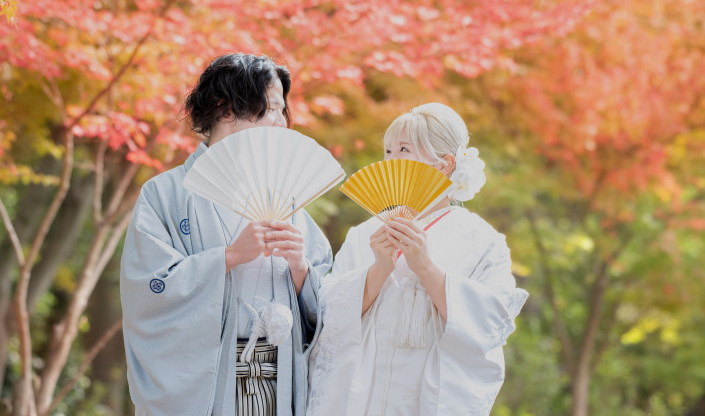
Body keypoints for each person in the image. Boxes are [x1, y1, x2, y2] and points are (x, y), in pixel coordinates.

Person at [120, 53, 332, 416]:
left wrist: (300, 269)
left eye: (282, 110)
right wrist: (229, 257)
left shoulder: (286, 195)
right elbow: (148, 290)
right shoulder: (164, 195)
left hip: (277, 380)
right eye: (271, 109)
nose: (280, 122)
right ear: (226, 109)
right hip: (205, 385)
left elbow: (327, 294)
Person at [306, 103, 529, 416]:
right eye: (387, 151)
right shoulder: (364, 234)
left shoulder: (482, 242)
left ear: (444, 164)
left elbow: (489, 326)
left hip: (425, 398)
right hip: (362, 397)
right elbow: (329, 316)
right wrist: (378, 269)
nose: (390, 161)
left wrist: (426, 268)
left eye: (403, 149)